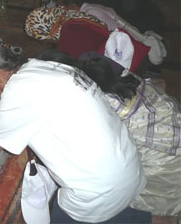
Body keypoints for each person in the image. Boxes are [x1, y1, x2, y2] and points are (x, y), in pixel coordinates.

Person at [0, 36, 148, 223]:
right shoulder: (44, 66)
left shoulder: (17, 89)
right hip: (130, 168)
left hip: (98, 186)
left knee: (64, 212)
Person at [37, 49, 181, 219]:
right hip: (172, 134)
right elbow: (160, 84)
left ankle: (156, 219)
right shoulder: (98, 69)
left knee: (101, 192)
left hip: (166, 174)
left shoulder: (93, 105)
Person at [53, 0, 167, 65]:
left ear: (72, 6)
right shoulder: (92, 7)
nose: (59, 12)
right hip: (131, 46)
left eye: (61, 8)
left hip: (130, 51)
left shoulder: (89, 15)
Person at [25, 5, 150, 73]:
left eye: (40, 38)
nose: (45, 42)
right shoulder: (71, 19)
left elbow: (79, 69)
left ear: (45, 30)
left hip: (122, 66)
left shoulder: (70, 31)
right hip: (121, 60)